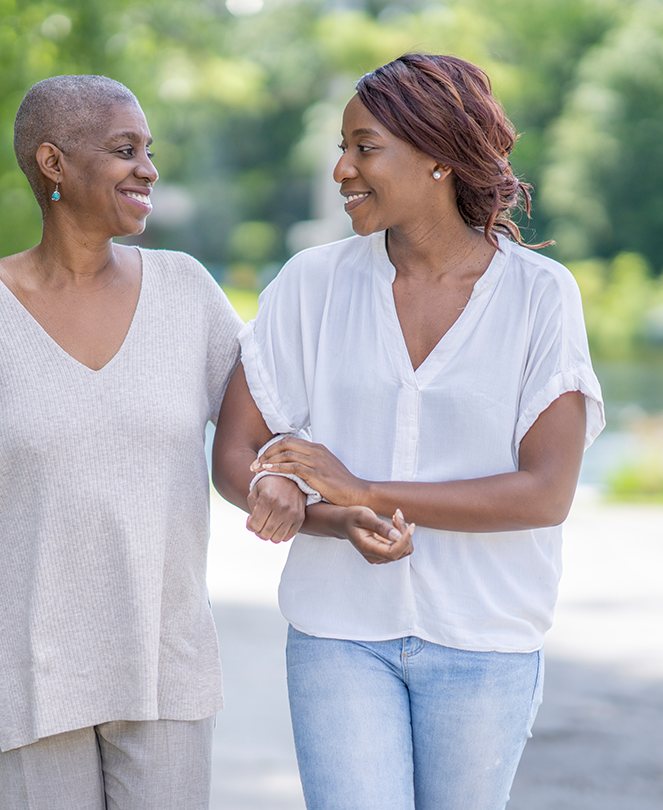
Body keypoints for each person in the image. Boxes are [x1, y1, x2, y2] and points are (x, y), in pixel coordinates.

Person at [212, 53, 604, 810]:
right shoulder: (311, 284)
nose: (341, 170)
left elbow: (545, 492)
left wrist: (366, 490)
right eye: (342, 146)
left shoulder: (539, 296)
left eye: (364, 147)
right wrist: (300, 501)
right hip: (338, 635)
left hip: (485, 639)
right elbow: (236, 451)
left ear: (436, 157)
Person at [0, 75, 241, 810]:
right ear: (53, 163)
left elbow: (268, 424)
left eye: (148, 151)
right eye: (125, 150)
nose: (148, 168)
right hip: (26, 665)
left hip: (163, 658)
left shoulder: (189, 294)